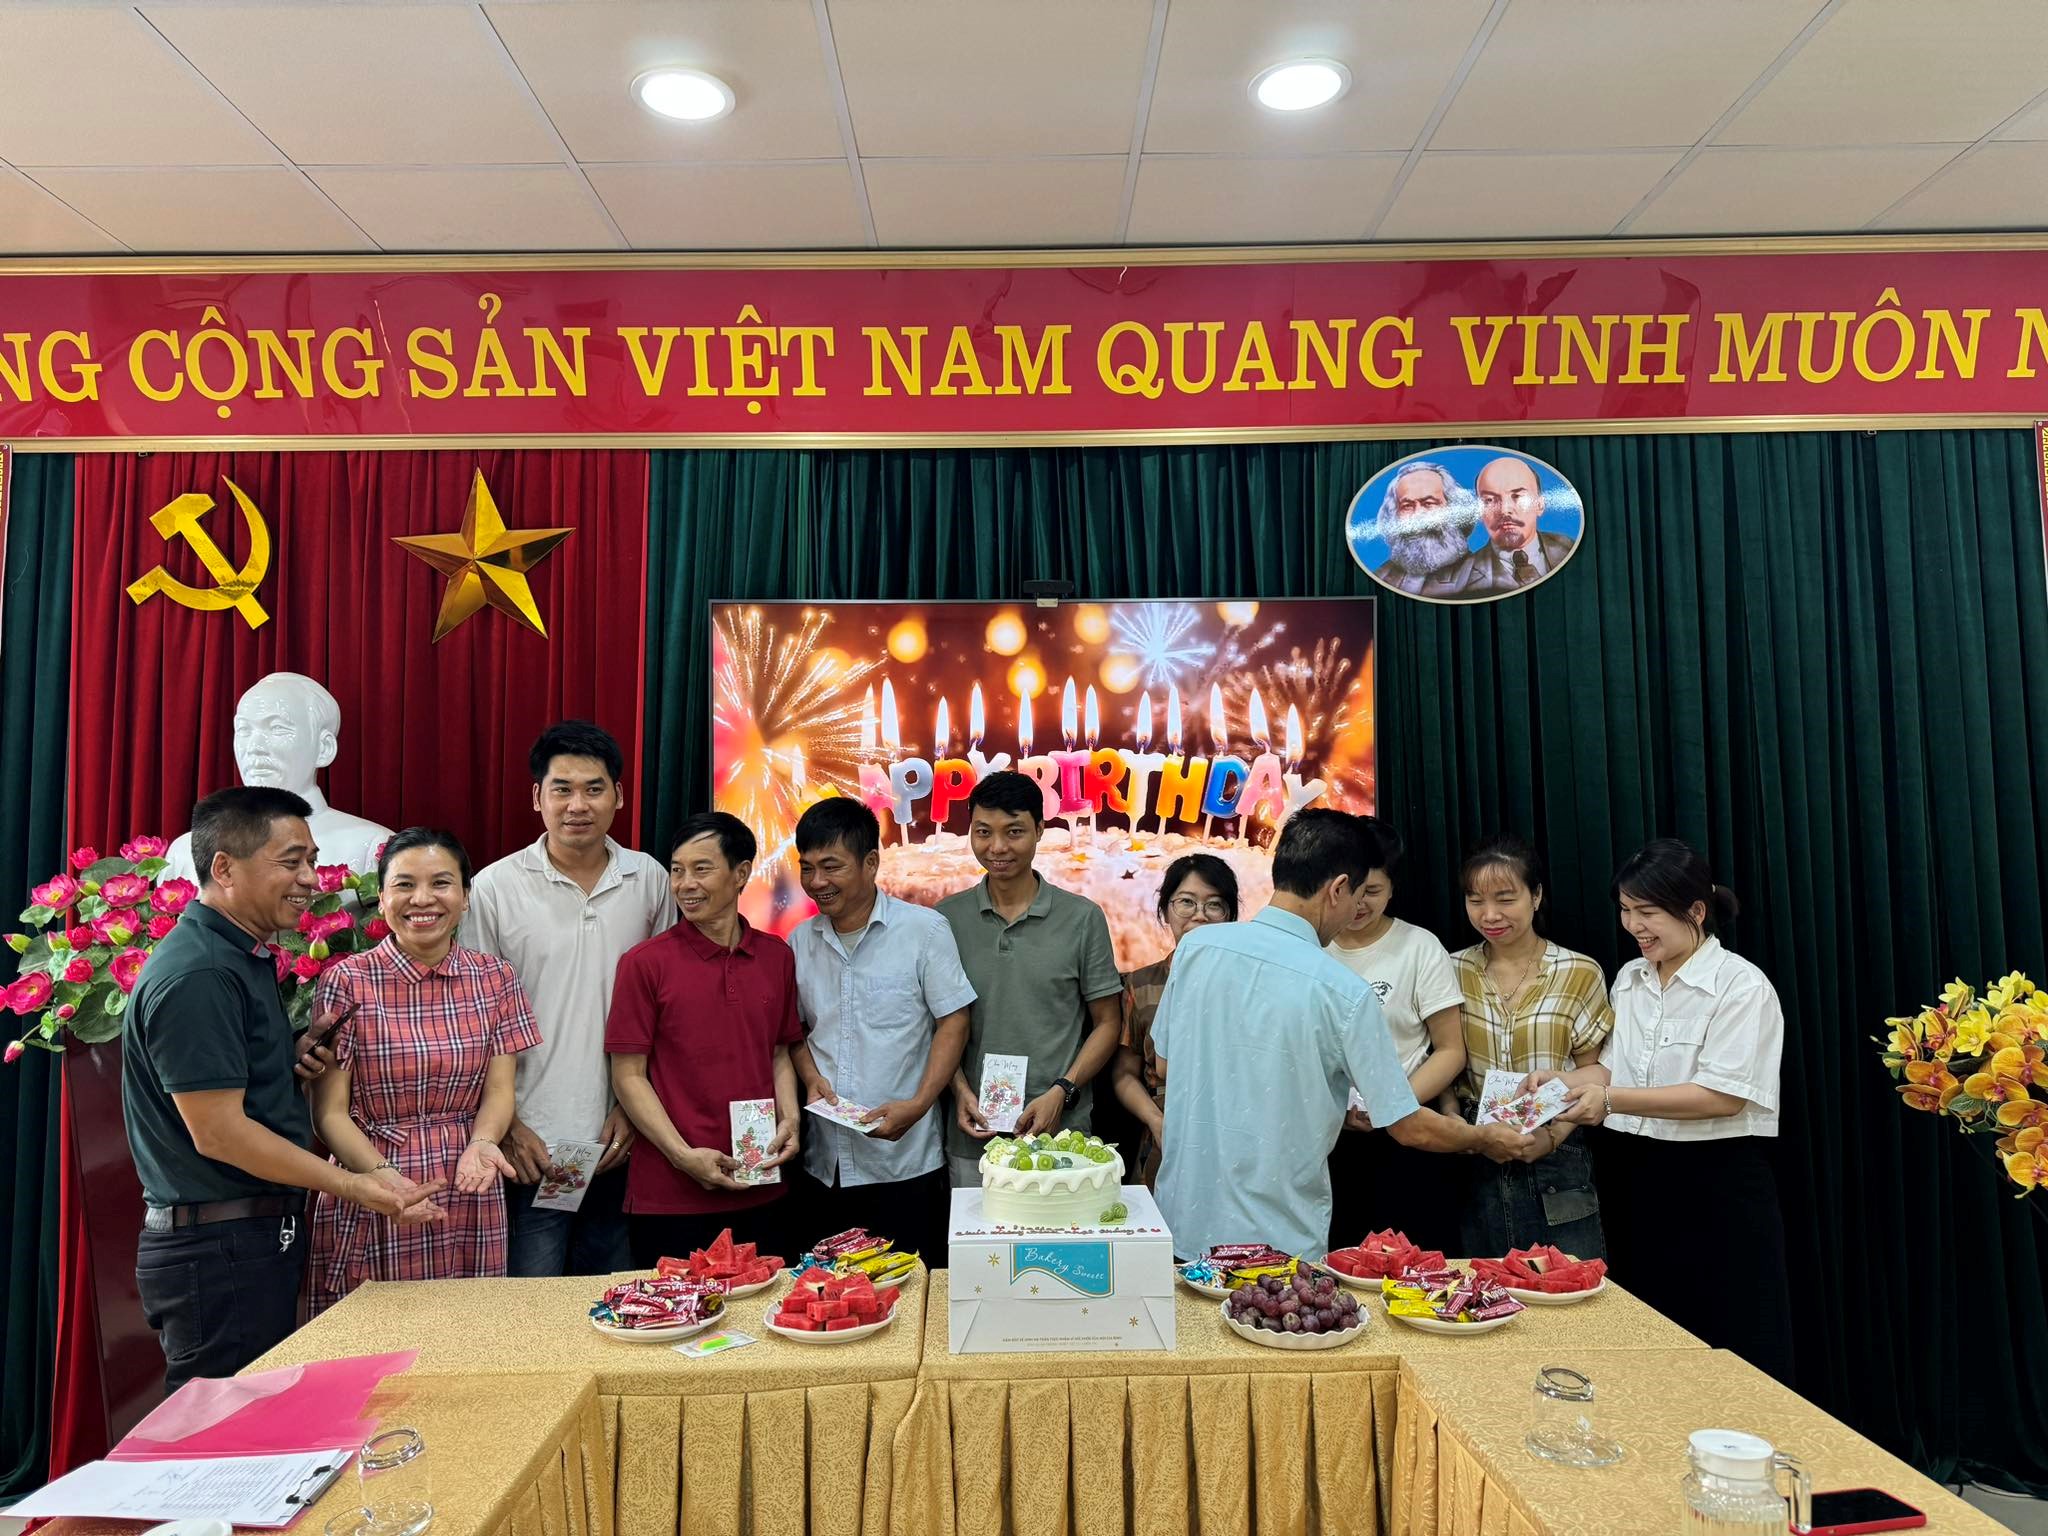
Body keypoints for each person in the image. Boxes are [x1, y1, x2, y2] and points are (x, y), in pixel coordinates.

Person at [125, 787, 442, 1391]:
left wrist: (285, 1060)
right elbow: (219, 1133)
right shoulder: (201, 973)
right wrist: (352, 1185)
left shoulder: (237, 955)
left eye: (311, 861)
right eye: (291, 862)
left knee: (255, 1424)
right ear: (224, 868)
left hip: (245, 1238)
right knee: (223, 1431)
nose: (310, 880)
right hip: (217, 1248)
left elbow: (231, 1092)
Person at [1153, 810, 1532, 1260]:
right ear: (1337, 889)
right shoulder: (1342, 990)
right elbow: (1408, 1126)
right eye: (1356, 896)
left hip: (1180, 1223)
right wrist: (1483, 1138)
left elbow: (1165, 1063)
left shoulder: (1196, 950)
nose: (1356, 911)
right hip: (1275, 1244)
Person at [1529, 840, 1794, 1383]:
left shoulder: (1740, 985)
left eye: (1647, 912)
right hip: (1638, 1176)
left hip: (1718, 1179)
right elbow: (1614, 1071)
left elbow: (1723, 1096)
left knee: (1731, 1334)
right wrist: (1561, 1082)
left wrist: (1610, 1100)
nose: (1634, 926)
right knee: (1651, 1332)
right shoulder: (1632, 978)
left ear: (1695, 910)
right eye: (1626, 910)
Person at [465, 721, 672, 1276]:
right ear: (537, 797)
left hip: (620, 1135)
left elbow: (665, 1006)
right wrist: (506, 1125)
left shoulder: (649, 879)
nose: (578, 805)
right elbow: (475, 1015)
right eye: (562, 789)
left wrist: (636, 1109)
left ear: (619, 795)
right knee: (533, 1299)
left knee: (615, 1295)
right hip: (532, 1141)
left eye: (593, 788)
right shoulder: (495, 887)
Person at [307, 829, 540, 1313]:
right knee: (378, 1340)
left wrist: (484, 1142)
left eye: (441, 883)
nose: (422, 899)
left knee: (469, 1332)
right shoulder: (346, 981)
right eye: (404, 884)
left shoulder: (496, 977)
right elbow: (329, 1114)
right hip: (375, 1177)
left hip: (470, 1179)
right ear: (381, 897)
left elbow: (500, 1090)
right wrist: (386, 1180)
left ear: (466, 896)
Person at [606, 812, 802, 1264]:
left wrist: (790, 1119)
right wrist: (682, 1156)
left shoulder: (776, 956)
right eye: (677, 870)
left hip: (761, 1183)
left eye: (701, 869)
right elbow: (628, 1075)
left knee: (765, 1305)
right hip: (669, 1197)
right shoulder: (644, 963)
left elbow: (778, 1053)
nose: (685, 884)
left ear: (741, 873)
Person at [789, 798, 976, 1262]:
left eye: (831, 866)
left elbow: (953, 1021)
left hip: (905, 1165)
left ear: (870, 862)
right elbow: (794, 1031)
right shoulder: (798, 941)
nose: (817, 882)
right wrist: (810, 1077)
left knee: (910, 1289)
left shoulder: (924, 930)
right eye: (807, 868)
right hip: (825, 1164)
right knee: (830, 1292)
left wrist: (920, 1103)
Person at [938, 771, 1124, 1186]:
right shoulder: (945, 919)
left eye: (1014, 831)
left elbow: (1108, 1023)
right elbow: (936, 1024)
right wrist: (958, 1090)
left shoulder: (1082, 918)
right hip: (973, 1132)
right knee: (977, 1229)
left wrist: (1062, 1091)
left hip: (1063, 1133)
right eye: (983, 832)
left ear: (1040, 830)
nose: (997, 847)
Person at [1453, 834, 1613, 1260]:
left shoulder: (1579, 971)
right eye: (1475, 900)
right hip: (1478, 1148)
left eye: (1506, 899)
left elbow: (1594, 1074)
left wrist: (1552, 1138)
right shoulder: (1451, 969)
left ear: (1536, 895)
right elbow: (1445, 1063)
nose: (1490, 915)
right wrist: (1462, 1130)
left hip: (1558, 1148)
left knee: (1568, 1284)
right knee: (1482, 1288)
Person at [1323, 815, 1467, 1252]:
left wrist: (1392, 1106)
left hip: (1407, 1135)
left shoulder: (1419, 946)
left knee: (1410, 1266)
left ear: (1393, 888)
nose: (1359, 902)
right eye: (1351, 889)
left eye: (1372, 890)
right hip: (1325, 1138)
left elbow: (1450, 1050)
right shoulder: (1312, 948)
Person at [161, 672, 393, 883]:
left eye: (277, 728)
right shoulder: (185, 852)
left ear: (324, 748)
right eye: (244, 730)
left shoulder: (371, 847)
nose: (254, 747)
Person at [1110, 854, 1237, 1188]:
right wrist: (1157, 1122)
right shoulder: (1141, 984)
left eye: (1215, 904)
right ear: (1165, 910)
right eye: (1186, 902)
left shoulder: (1248, 984)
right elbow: (1124, 1073)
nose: (1199, 914)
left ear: (1229, 916)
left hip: (1235, 1138)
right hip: (1163, 1143)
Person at [1364, 462, 1495, 601]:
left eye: (1428, 503)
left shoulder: (1480, 577)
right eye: (1407, 506)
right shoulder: (1382, 576)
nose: (1418, 515)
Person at [1475, 456, 1576, 588]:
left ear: (1539, 505)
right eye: (1489, 500)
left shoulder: (1569, 548)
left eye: (1517, 496)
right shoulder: (1462, 576)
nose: (1505, 510)